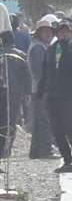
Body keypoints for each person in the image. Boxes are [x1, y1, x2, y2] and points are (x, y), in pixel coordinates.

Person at [37, 20, 72, 173]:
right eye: (61, 31)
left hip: (69, 96)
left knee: (71, 129)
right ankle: (67, 161)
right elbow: (46, 71)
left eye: (67, 31)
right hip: (53, 96)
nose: (63, 34)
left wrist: (67, 47)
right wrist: (41, 90)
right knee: (57, 131)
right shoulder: (51, 49)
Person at [0, 25, 31, 159]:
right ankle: (7, 149)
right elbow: (27, 77)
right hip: (15, 94)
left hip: (2, 93)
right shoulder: (21, 55)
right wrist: (27, 93)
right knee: (12, 121)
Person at [27, 19, 56, 159]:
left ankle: (36, 151)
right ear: (38, 33)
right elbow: (40, 71)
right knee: (44, 121)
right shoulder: (38, 48)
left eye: (49, 32)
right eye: (44, 32)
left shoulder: (41, 46)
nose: (48, 34)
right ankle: (45, 150)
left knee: (40, 121)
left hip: (39, 89)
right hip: (41, 89)